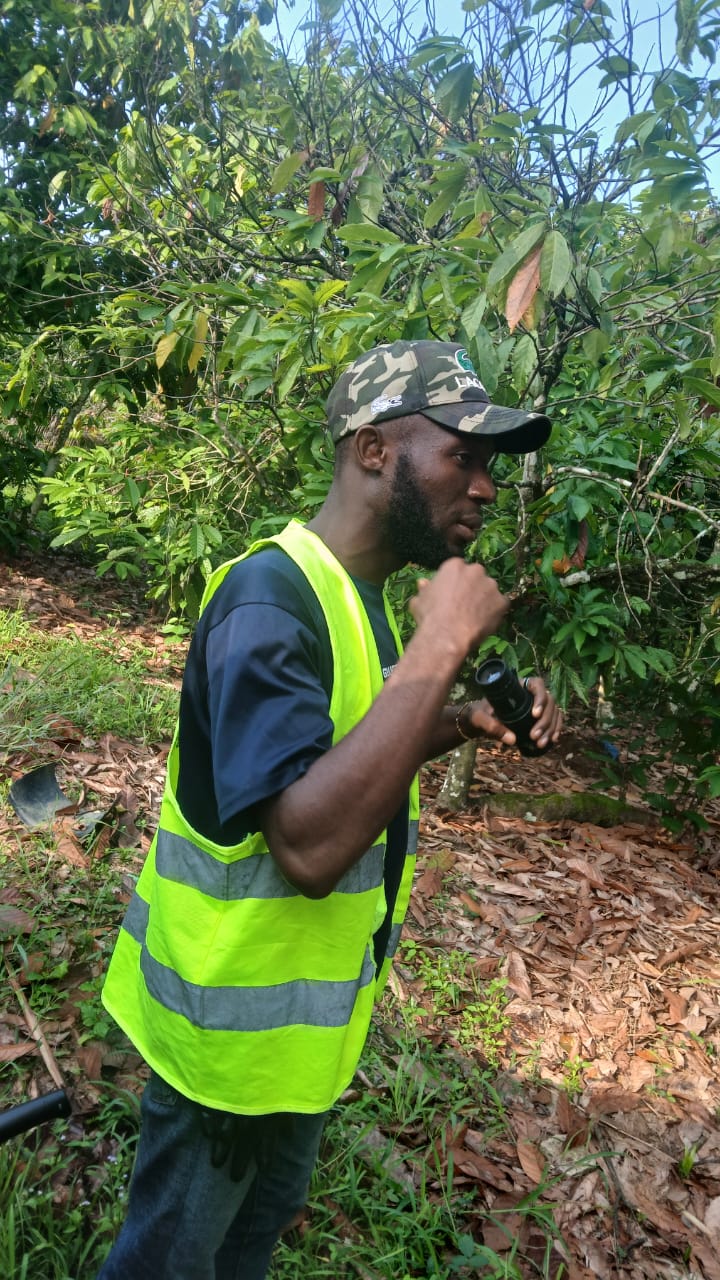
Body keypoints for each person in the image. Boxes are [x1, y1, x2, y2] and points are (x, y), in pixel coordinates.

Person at [97, 339, 563, 1280]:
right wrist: (439, 651)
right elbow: (307, 847)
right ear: (373, 450)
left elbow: (336, 755)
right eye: (463, 456)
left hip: (295, 1048)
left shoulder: (357, 598)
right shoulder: (268, 596)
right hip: (224, 1051)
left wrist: (461, 717)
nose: (484, 487)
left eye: (490, 467)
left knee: (244, 1253)